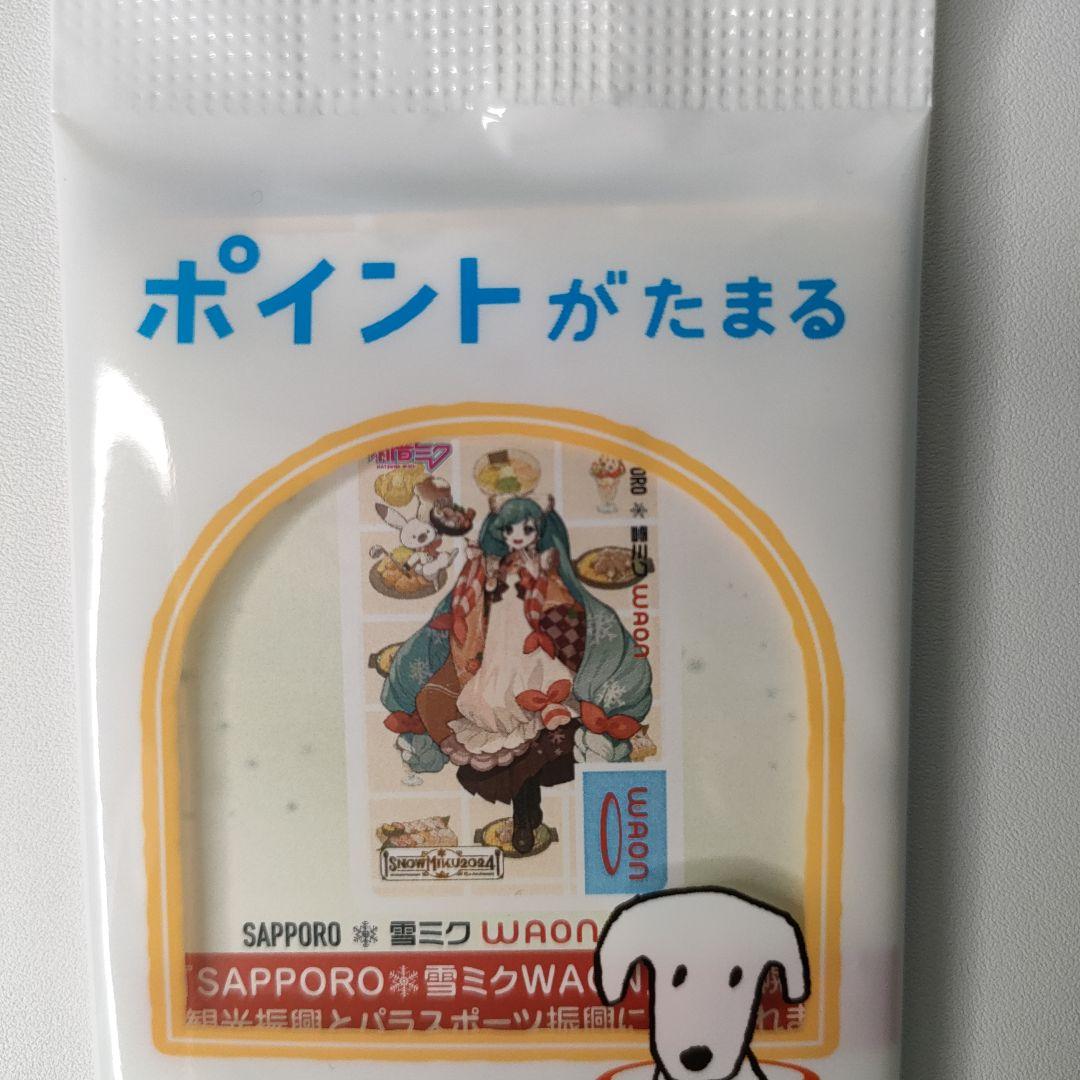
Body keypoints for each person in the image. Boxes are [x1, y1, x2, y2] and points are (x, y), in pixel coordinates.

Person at [382, 494, 652, 854]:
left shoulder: (544, 563)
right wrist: (480, 570)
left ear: (538, 531)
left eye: (527, 529)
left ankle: (530, 813)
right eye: (511, 530)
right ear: (501, 532)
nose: (519, 536)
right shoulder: (495, 564)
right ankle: (525, 815)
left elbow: (561, 604)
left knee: (541, 699)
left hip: (534, 643)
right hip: (498, 644)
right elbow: (475, 601)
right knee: (496, 698)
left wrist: (538, 582)